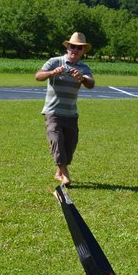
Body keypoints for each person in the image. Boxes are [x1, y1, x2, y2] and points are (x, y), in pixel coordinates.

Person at [35, 32, 95, 186]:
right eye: (72, 46)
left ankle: (59, 172)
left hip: (71, 114)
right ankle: (66, 176)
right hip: (53, 112)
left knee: (70, 145)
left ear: (83, 51)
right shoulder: (55, 61)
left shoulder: (83, 68)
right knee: (56, 141)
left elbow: (91, 83)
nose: (75, 50)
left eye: (79, 48)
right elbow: (38, 76)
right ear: (68, 47)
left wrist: (82, 78)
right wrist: (52, 73)